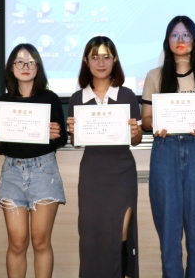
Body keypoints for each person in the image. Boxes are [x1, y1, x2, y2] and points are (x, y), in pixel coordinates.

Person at [141, 15, 195, 278]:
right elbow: (146, 119)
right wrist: (156, 125)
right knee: (169, 236)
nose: (180, 40)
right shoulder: (154, 76)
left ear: (194, 39)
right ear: (167, 40)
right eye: (175, 35)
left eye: (186, 34)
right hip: (165, 150)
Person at [0, 43, 67, 278]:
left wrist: (56, 134)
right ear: (11, 67)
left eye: (31, 62)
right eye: (20, 61)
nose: (25, 66)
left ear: (38, 67)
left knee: (40, 241)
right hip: (12, 172)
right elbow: (3, 147)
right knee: (17, 242)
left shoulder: (50, 98)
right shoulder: (4, 101)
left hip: (44, 171)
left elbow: (62, 139)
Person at [66, 36, 143, 278]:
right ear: (86, 61)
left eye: (106, 57)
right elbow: (75, 141)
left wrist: (136, 132)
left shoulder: (127, 95)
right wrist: (73, 131)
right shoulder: (77, 99)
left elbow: (136, 139)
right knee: (92, 235)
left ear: (115, 60)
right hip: (92, 173)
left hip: (122, 172)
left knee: (120, 233)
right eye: (95, 57)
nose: (101, 62)